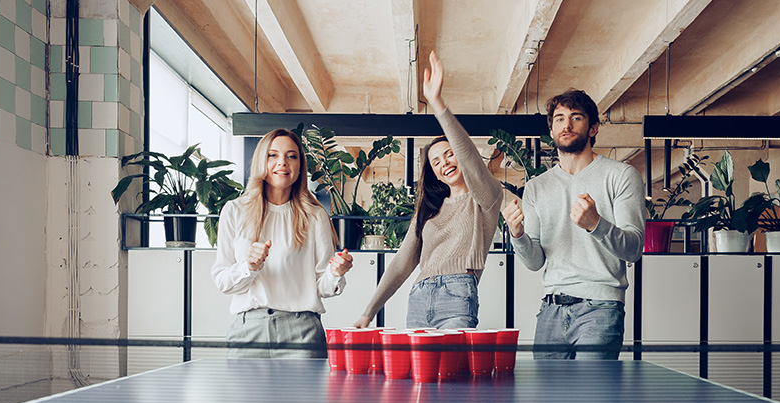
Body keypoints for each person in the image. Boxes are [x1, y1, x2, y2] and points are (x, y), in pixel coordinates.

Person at [353, 51, 502, 329]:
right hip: (420, 295)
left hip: (458, 294)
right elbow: (401, 263)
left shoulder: (486, 199)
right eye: (436, 162)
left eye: (449, 154)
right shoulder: (430, 209)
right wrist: (368, 312)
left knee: (451, 360)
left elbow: (470, 158)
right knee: (418, 361)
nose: (444, 163)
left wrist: (438, 104)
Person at [502, 89, 645, 360]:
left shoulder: (621, 175)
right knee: (548, 391)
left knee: (589, 389)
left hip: (601, 308)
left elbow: (633, 250)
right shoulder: (536, 187)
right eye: (559, 119)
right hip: (551, 310)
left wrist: (596, 224)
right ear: (551, 130)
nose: (566, 125)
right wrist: (518, 235)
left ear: (593, 128)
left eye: (576, 117)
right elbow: (535, 262)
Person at [212, 128, 353, 358]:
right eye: (273, 155)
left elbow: (322, 287)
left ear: (300, 167)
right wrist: (249, 267)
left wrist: (335, 272)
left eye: (291, 156)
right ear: (261, 161)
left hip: (302, 334)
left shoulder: (315, 216)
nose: (282, 162)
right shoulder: (235, 211)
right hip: (249, 333)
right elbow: (223, 281)